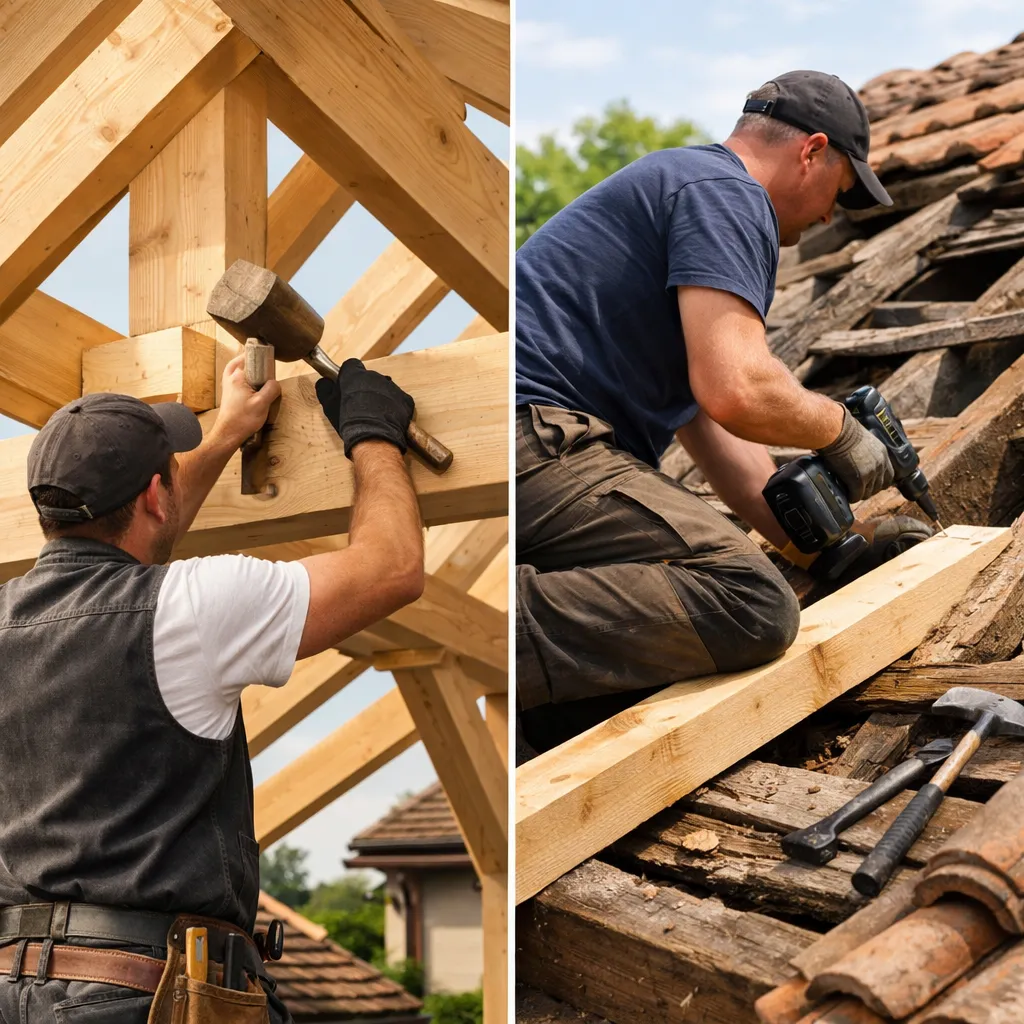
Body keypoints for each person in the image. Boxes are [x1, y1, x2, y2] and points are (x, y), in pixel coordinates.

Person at [516, 70, 932, 757]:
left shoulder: (680, 188)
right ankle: (498, 626)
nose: (833, 214)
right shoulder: (726, 194)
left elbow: (715, 432)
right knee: (749, 600)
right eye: (842, 188)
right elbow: (737, 389)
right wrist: (842, 431)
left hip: (536, 448)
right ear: (812, 150)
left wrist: (834, 547)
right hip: (536, 438)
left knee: (629, 681)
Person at [0, 354, 421, 1022]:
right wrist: (375, 436)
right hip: (142, 996)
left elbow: (137, 545)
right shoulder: (191, 606)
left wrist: (226, 434)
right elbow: (392, 567)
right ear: (153, 496)